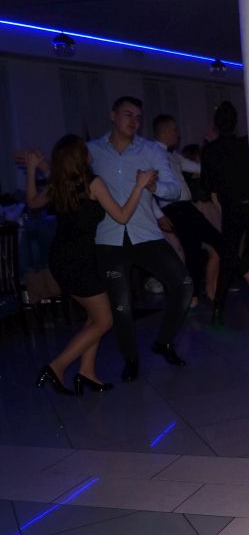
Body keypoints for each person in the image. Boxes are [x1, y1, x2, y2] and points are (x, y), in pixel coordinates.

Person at [26, 136, 155, 394]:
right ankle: (56, 367)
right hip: (80, 262)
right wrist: (139, 186)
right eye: (84, 150)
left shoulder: (59, 185)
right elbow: (121, 216)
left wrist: (32, 169)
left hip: (62, 259)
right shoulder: (93, 183)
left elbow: (31, 202)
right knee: (105, 319)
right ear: (80, 157)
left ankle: (87, 372)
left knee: (94, 316)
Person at [88, 96, 192, 382]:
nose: (134, 121)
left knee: (183, 284)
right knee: (122, 307)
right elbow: (69, 177)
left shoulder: (150, 150)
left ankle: (164, 341)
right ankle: (131, 359)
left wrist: (154, 185)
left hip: (146, 233)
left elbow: (173, 189)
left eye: (138, 117)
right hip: (109, 238)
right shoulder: (93, 151)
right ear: (112, 115)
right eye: (127, 114)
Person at [151, 115, 224, 306]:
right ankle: (195, 295)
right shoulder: (150, 153)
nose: (178, 133)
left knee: (195, 251)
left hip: (185, 207)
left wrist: (211, 146)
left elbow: (199, 168)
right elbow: (145, 189)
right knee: (199, 248)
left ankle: (195, 296)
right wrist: (159, 215)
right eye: (175, 129)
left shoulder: (173, 156)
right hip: (173, 208)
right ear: (165, 131)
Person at [202, 100, 249, 326]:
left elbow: (209, 187)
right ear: (236, 122)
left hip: (230, 207)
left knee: (228, 256)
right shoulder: (247, 144)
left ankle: (217, 310)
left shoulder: (210, 150)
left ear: (216, 125)